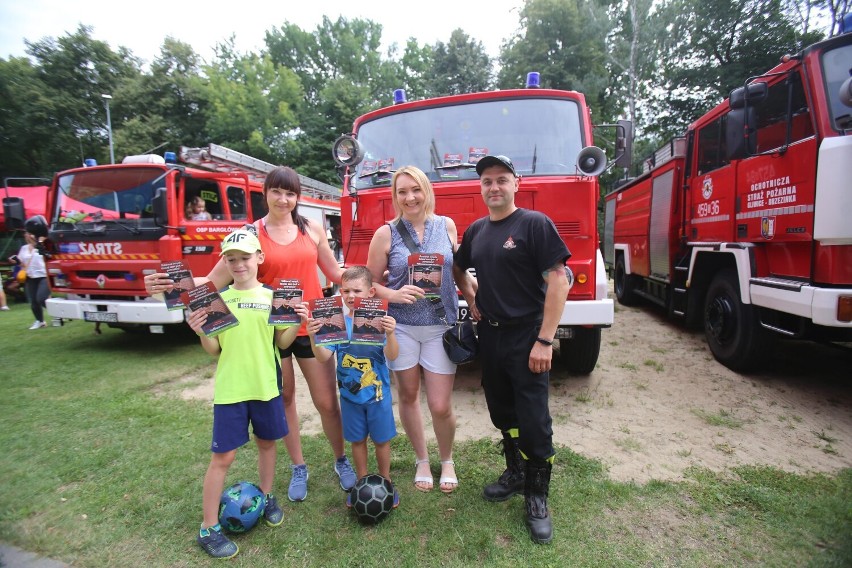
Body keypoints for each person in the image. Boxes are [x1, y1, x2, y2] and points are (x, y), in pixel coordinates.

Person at [145, 166, 353, 502]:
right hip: (270, 329)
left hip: (312, 323)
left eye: (290, 193)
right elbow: (214, 281)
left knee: (327, 402)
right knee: (284, 400)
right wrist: (167, 285)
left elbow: (333, 271)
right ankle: (299, 466)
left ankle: (341, 460)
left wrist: (369, 279)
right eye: (276, 191)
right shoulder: (250, 233)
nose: (283, 199)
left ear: (297, 197)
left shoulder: (312, 228)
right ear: (265, 193)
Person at [452, 155, 571, 545]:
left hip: (527, 335)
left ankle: (537, 496)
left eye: (502, 179)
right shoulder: (477, 231)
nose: (494, 187)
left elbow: (559, 280)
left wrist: (545, 339)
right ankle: (515, 473)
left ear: (516, 183)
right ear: (481, 188)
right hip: (492, 336)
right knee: (502, 410)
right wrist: (472, 297)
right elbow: (459, 267)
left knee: (534, 419)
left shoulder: (534, 225)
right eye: (487, 181)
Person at [187, 229, 299, 559]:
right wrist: (199, 330)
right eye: (231, 259)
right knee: (223, 458)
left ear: (260, 258)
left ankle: (265, 497)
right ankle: (209, 527)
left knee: (268, 444)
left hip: (265, 387)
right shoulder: (217, 300)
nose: (238, 264)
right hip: (232, 390)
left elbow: (282, 343)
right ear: (225, 262)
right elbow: (213, 348)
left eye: (245, 258)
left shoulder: (274, 296)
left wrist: (295, 321)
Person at [366, 165, 461, 493]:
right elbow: (367, 284)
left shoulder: (446, 226)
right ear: (395, 196)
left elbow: (456, 271)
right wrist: (393, 294)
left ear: (426, 191)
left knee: (439, 404)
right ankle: (422, 458)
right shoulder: (386, 233)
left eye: (415, 189)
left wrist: (474, 291)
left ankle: (446, 458)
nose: (410, 197)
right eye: (402, 191)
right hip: (401, 328)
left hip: (439, 325)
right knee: (407, 396)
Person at [301, 266, 400, 508]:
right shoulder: (336, 324)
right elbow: (323, 357)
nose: (350, 295)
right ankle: (361, 482)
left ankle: (386, 482)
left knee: (382, 441)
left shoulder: (379, 322)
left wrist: (392, 333)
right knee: (357, 441)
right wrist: (314, 337)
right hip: (350, 399)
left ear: (371, 292)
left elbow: (393, 355)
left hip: (378, 397)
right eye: (345, 290)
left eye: (357, 290)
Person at [11, 231, 50, 329]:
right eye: (26, 234)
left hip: (43, 275)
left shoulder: (42, 246)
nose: (27, 235)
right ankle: (40, 321)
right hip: (30, 276)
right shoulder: (24, 248)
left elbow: (48, 257)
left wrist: (38, 243)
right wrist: (16, 261)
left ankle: (58, 314)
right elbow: (22, 264)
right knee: (33, 301)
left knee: (41, 298)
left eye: (29, 233)